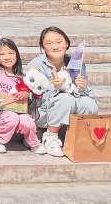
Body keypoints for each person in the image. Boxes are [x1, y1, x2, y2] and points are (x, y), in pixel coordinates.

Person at [28, 26, 99, 157]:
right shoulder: (36, 65)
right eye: (49, 43)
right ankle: (50, 137)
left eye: (59, 42)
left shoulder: (76, 63)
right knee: (66, 99)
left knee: (90, 104)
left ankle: (76, 136)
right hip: (42, 112)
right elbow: (33, 98)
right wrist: (54, 87)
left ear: (66, 43)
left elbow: (89, 93)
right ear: (43, 47)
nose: (55, 46)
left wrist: (81, 88)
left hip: (67, 106)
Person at [0, 38, 46, 154]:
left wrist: (27, 94)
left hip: (20, 112)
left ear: (16, 55)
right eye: (2, 54)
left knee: (28, 122)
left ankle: (32, 142)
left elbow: (34, 96)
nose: (7, 57)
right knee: (11, 117)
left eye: (10, 53)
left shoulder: (23, 77)